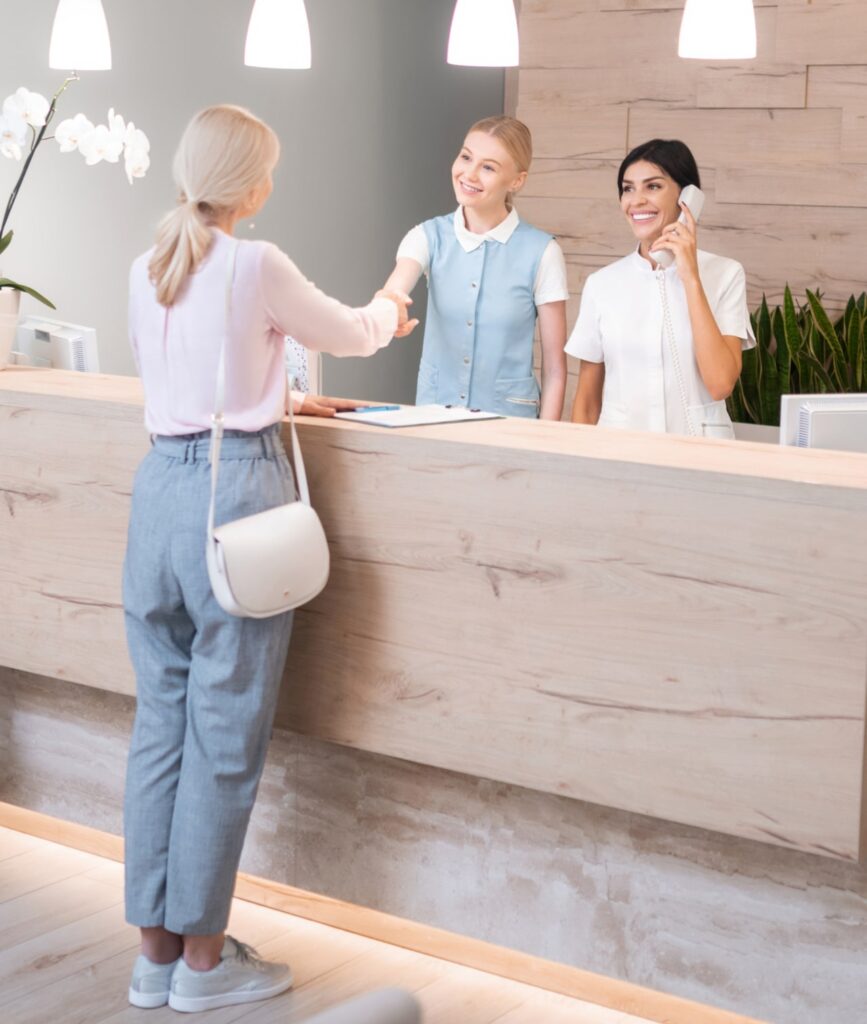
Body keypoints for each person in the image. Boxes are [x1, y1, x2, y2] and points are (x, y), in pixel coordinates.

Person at [122, 104, 409, 1014]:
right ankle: (205, 965)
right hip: (233, 497)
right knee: (225, 737)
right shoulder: (255, 261)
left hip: (157, 499)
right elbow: (351, 332)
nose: (272, 186)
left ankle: (155, 956)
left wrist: (267, 386)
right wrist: (395, 308)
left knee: (160, 727)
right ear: (242, 180)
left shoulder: (146, 265)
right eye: (268, 170)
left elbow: (199, 377)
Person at [381, 115, 568, 420]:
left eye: (488, 167)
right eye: (466, 157)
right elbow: (396, 287)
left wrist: (544, 443)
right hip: (435, 421)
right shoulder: (426, 237)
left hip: (511, 425)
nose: (469, 173)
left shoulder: (543, 252)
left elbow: (556, 370)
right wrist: (389, 307)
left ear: (517, 180)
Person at [568, 139, 754, 437]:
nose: (637, 200)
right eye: (628, 188)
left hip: (701, 455)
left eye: (653, 186)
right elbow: (587, 403)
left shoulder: (725, 274)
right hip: (621, 452)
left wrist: (690, 276)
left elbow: (720, 383)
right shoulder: (602, 284)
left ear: (687, 198)